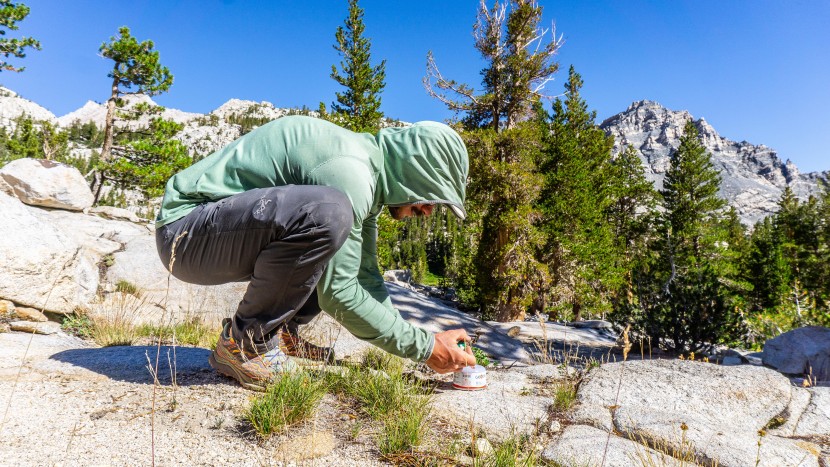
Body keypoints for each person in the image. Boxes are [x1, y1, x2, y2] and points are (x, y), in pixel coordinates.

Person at [155, 115, 476, 391]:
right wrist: (425, 349)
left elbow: (364, 276)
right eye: (431, 198)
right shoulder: (351, 173)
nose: (427, 211)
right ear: (416, 172)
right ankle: (247, 345)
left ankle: (280, 335)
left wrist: (422, 341)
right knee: (328, 215)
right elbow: (341, 293)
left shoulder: (369, 175)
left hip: (210, 232)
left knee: (333, 238)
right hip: (184, 234)